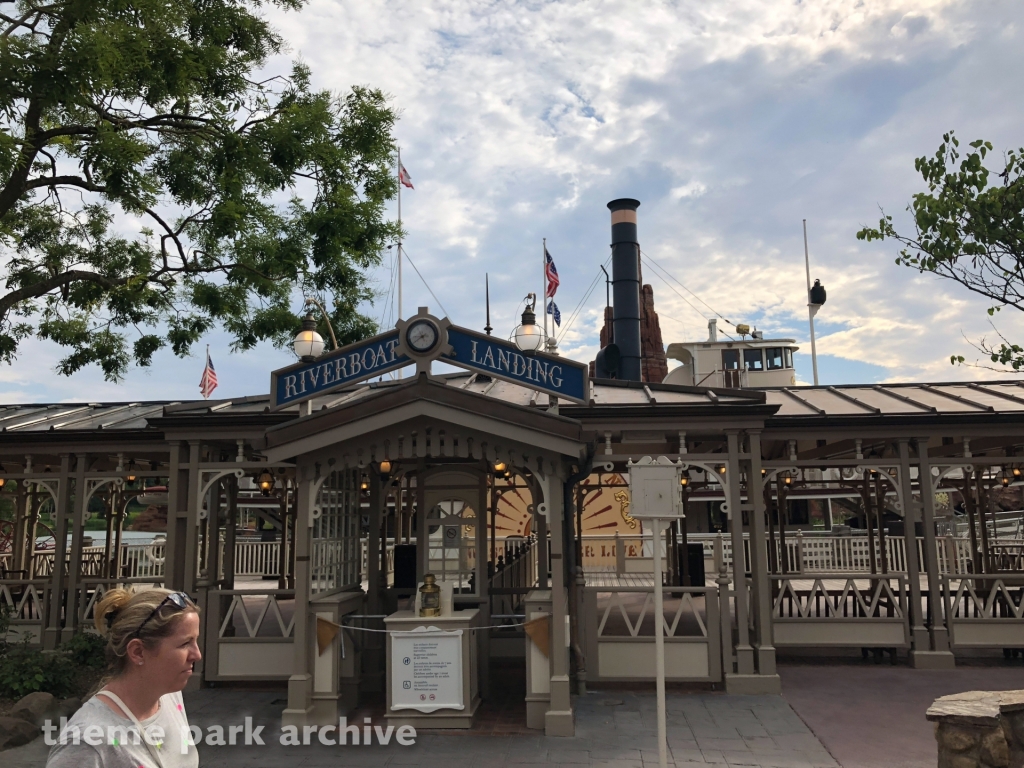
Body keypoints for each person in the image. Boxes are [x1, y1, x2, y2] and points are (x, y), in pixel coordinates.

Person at [46, 588, 202, 768]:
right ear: (138, 652)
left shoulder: (168, 697)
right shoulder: (85, 743)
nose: (197, 655)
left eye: (195, 641)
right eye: (185, 644)